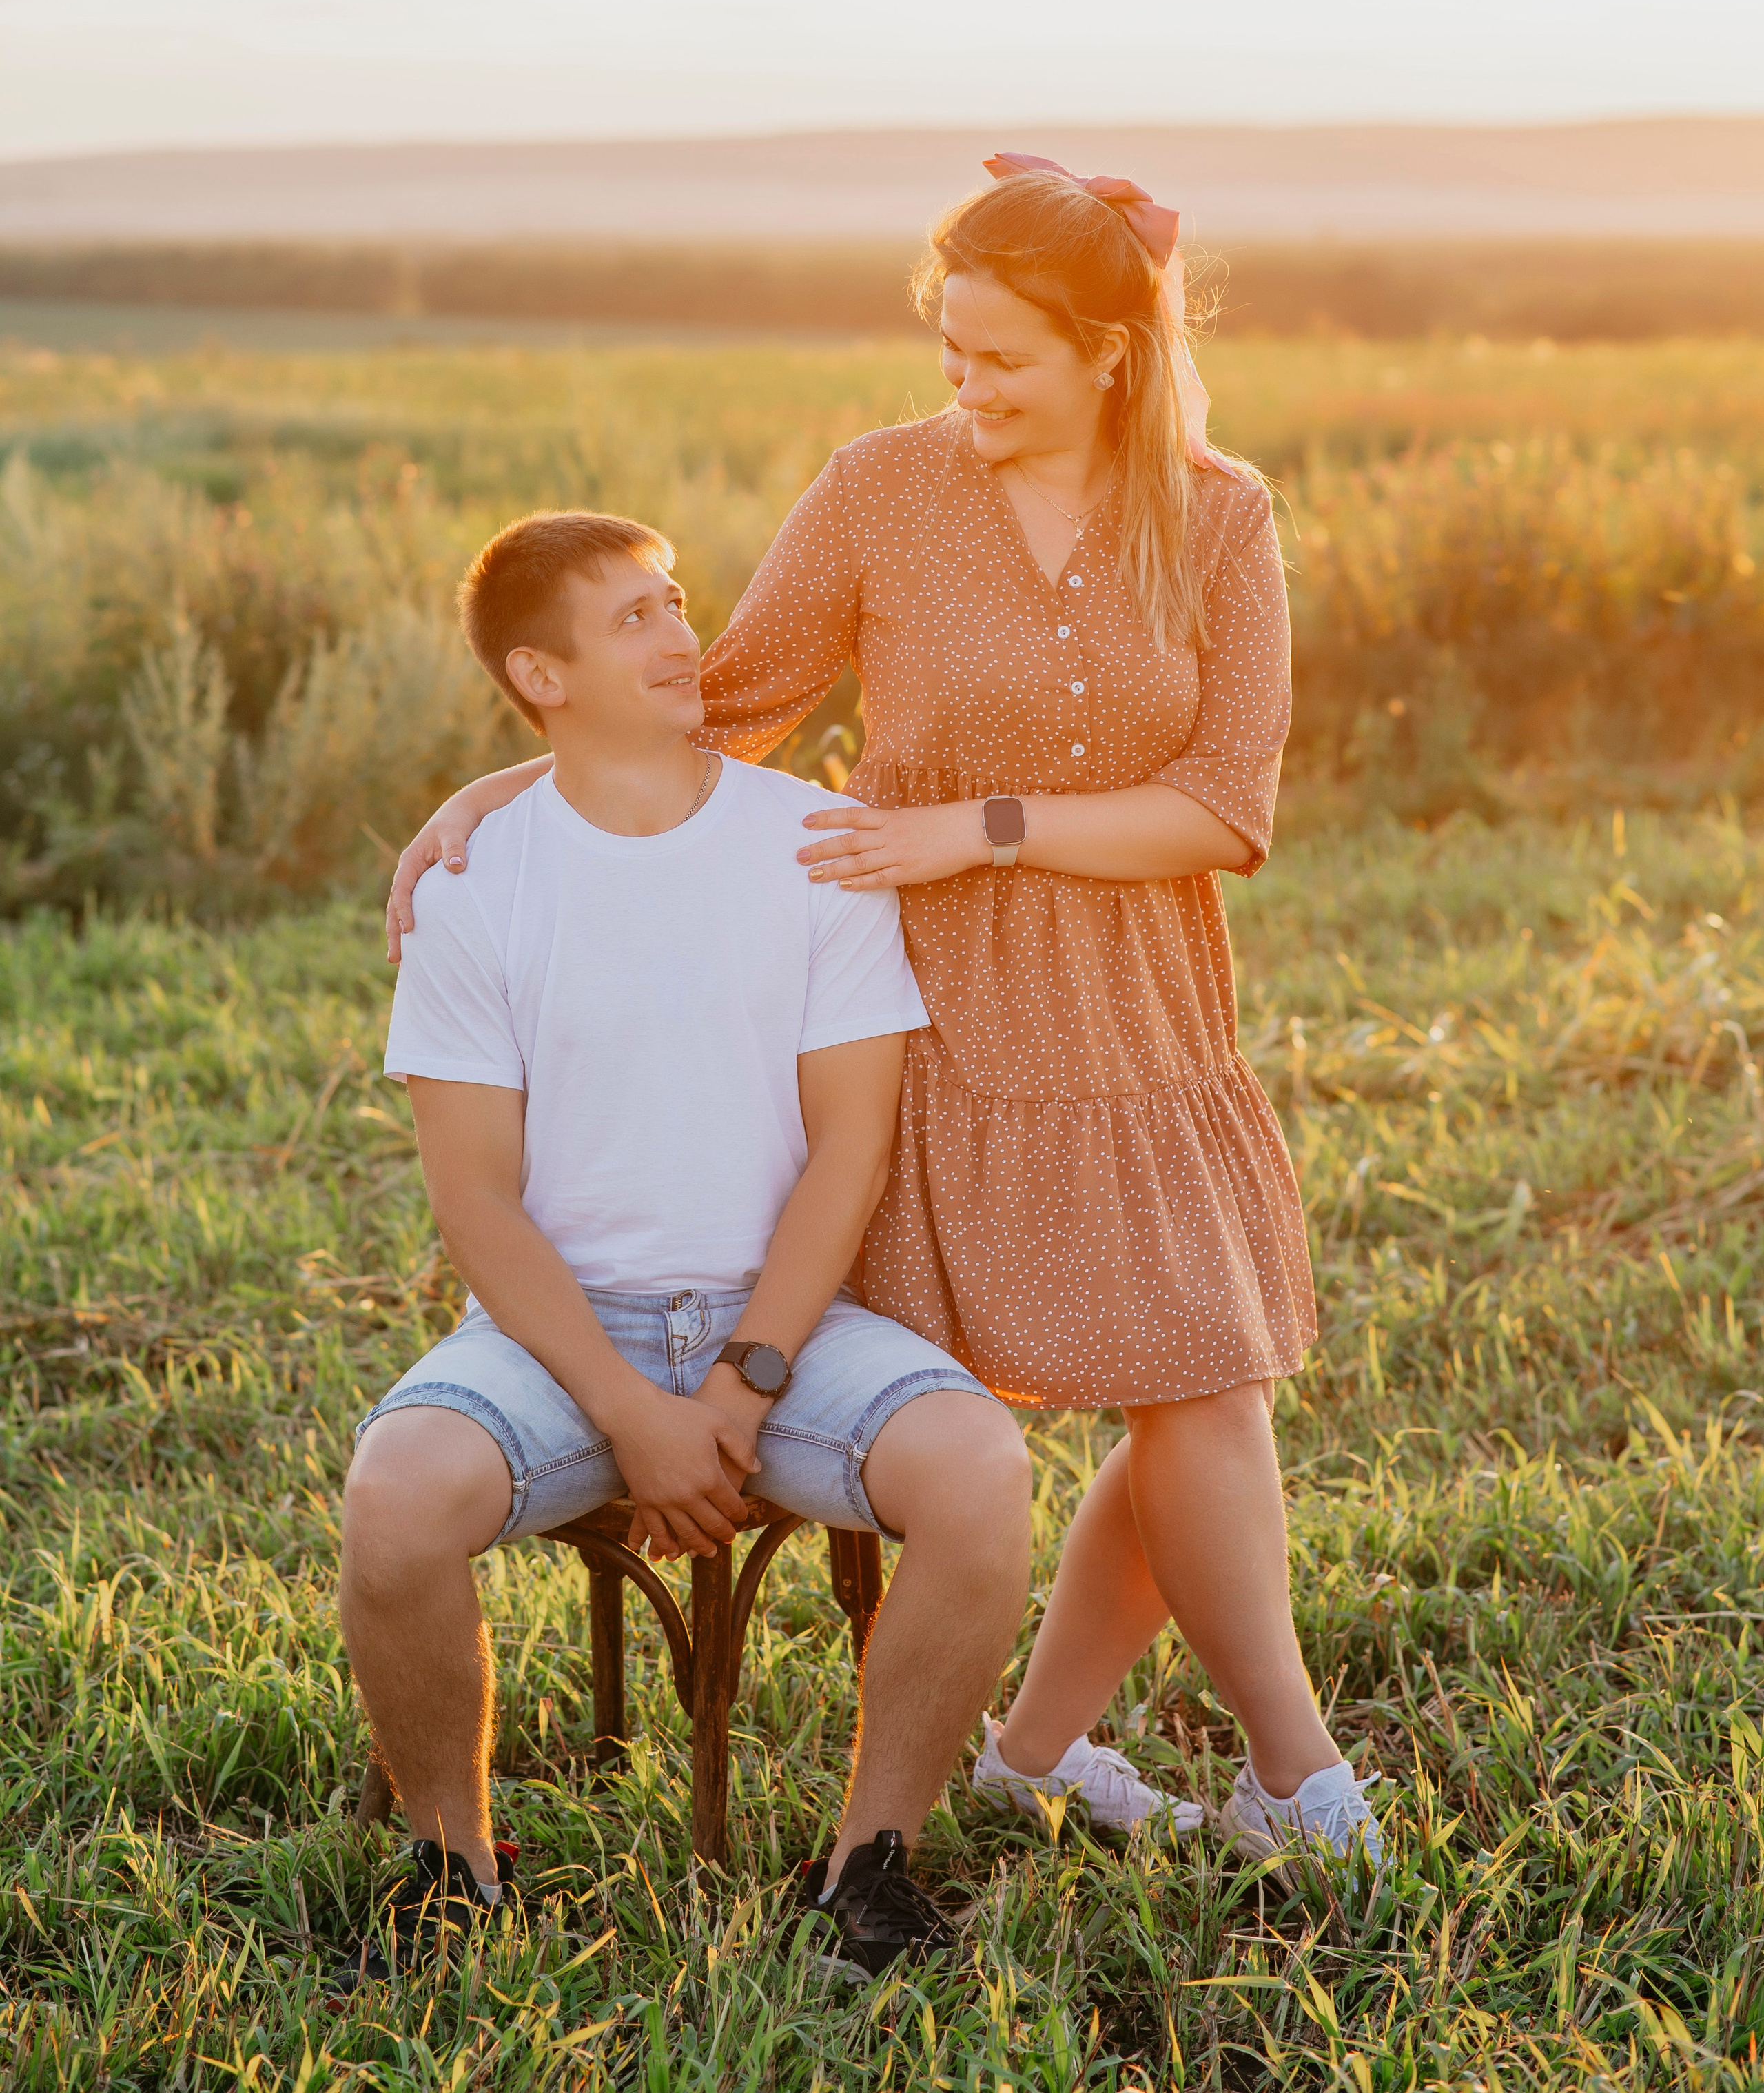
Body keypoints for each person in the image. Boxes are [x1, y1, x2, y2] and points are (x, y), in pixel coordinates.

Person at [387, 158, 1384, 1870]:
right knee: (1183, 1394)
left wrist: (973, 826)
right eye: (950, 350)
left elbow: (1226, 808)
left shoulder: (1219, 515)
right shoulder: (879, 490)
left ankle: (1139, 1763)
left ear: (1109, 353)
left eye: (1001, 358)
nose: (964, 386)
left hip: (1137, 1014)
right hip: (912, 1016)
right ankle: (1241, 1780)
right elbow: (723, 708)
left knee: (1197, 1382)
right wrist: (498, 786)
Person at [340, 508, 1035, 1988]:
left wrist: (739, 1379)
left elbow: (849, 1148)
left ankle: (868, 1869)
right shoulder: (473, 885)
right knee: (393, 1498)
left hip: (784, 1321)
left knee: (980, 1469)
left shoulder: (810, 843)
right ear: (541, 675)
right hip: (561, 1332)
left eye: (674, 603)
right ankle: (453, 1869)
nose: (682, 636)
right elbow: (477, 1204)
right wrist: (628, 1410)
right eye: (634, 618)